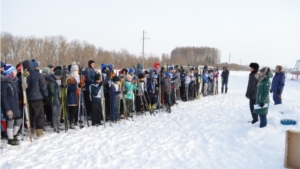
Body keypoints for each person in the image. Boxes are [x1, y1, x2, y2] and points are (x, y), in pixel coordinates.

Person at [22, 60, 48, 137]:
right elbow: (43, 87)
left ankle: (32, 130)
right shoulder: (38, 75)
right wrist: (46, 96)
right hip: (37, 98)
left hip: (28, 98)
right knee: (39, 115)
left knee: (30, 115)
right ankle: (39, 132)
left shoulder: (24, 75)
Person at [1, 65, 23, 145]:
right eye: (14, 71)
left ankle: (13, 135)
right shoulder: (4, 83)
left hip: (16, 105)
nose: (16, 72)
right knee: (10, 121)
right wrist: (7, 109)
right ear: (10, 72)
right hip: (10, 106)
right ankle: (10, 139)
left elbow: (18, 93)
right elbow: (4, 98)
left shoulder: (14, 81)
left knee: (19, 120)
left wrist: (23, 89)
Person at [68, 62, 80, 129]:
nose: (76, 72)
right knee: (72, 110)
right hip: (71, 96)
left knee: (76, 110)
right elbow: (69, 87)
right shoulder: (69, 78)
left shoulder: (78, 77)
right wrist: (76, 87)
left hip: (77, 96)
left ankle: (76, 120)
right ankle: (71, 122)